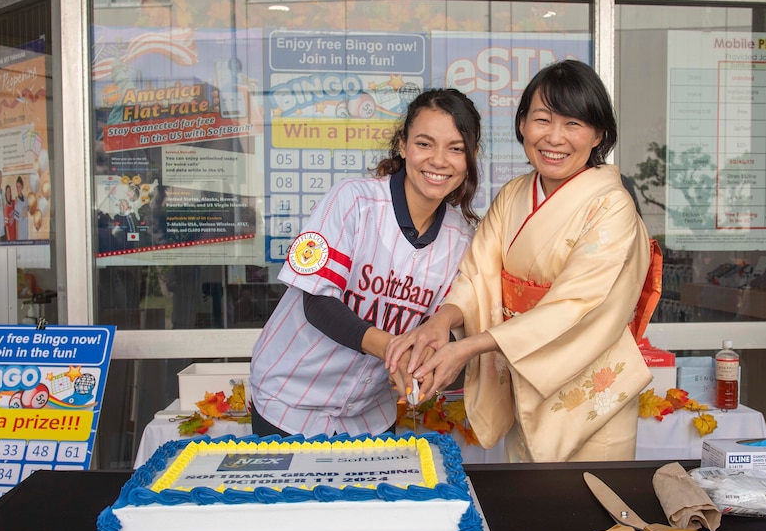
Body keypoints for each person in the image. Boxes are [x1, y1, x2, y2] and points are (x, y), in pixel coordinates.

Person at [386, 59, 652, 462]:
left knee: (596, 517)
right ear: (523, 124)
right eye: (542, 120)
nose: (555, 138)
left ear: (598, 134)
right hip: (525, 384)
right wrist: (441, 322)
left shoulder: (612, 206)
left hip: (592, 396)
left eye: (573, 124)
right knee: (529, 511)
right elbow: (478, 275)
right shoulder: (514, 194)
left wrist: (469, 347)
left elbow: (574, 306)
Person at [249, 88, 482, 438]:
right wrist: (392, 349)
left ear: (472, 156)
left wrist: (425, 362)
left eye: (456, 148)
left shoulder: (461, 237)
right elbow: (317, 302)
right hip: (289, 401)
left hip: (369, 414)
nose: (439, 160)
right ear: (402, 145)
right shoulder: (354, 200)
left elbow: (442, 324)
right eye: (424, 144)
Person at [13, 175, 30, 241]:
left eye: (19, 186)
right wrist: (17, 236)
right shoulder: (16, 202)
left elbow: (28, 212)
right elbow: (16, 221)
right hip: (20, 232)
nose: (18, 188)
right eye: (17, 187)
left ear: (22, 186)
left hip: (26, 229)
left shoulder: (26, 199)